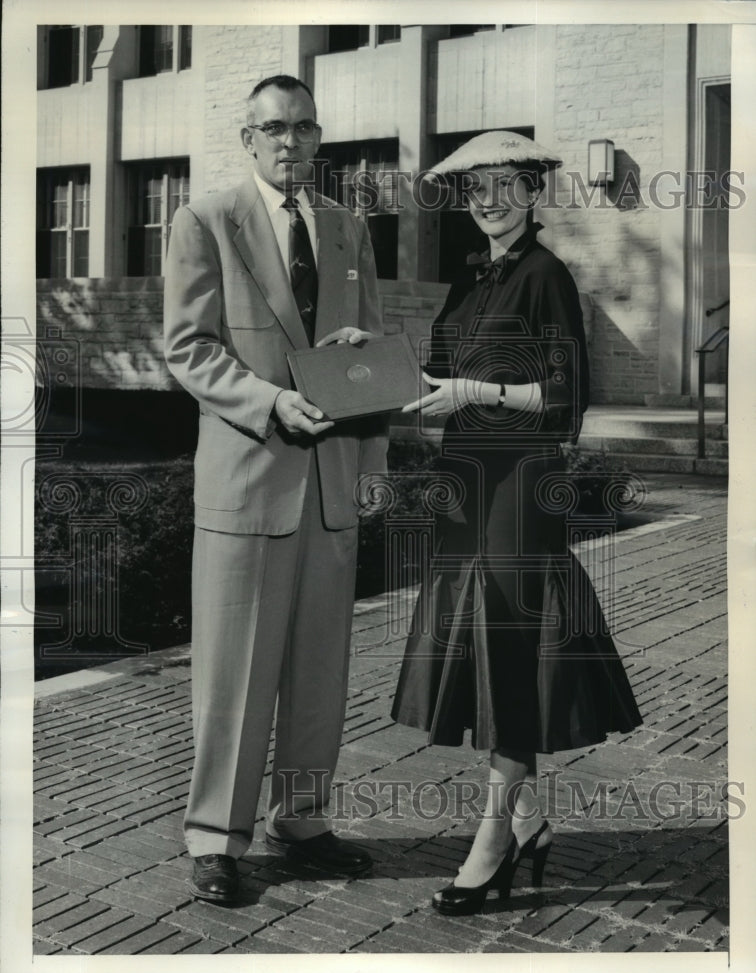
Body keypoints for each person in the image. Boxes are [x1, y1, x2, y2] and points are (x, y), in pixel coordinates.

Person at [391, 131, 643, 916]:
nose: (488, 201)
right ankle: (529, 822)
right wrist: (369, 354)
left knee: (510, 650)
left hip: (518, 495)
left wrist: (477, 394)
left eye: (504, 185)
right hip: (469, 489)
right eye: (475, 190)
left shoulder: (544, 277)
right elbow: (440, 372)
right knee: (487, 652)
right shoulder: (475, 282)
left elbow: (565, 403)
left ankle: (492, 843)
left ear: (534, 192)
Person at [164, 74, 388, 905]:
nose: (288, 142)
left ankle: (303, 822)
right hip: (248, 478)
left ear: (317, 137)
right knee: (234, 675)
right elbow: (187, 348)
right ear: (248, 139)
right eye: (272, 129)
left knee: (319, 671)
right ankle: (216, 836)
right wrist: (269, 403)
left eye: (301, 128)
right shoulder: (205, 221)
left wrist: (370, 474)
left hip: (331, 486)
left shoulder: (346, 228)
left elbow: (371, 351)